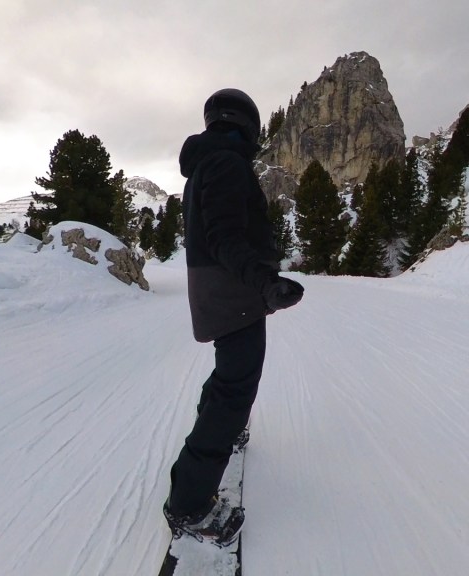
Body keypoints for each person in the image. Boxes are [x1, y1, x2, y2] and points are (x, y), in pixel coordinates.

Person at [164, 88, 304, 542]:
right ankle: (188, 502)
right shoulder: (227, 163)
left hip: (221, 287)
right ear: (248, 125)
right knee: (235, 389)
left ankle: (227, 429)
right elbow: (226, 236)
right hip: (233, 290)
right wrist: (264, 283)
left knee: (230, 378)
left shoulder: (209, 161)